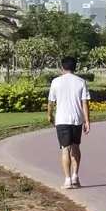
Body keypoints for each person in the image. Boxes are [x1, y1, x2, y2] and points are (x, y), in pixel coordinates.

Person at [45, 54, 91, 187]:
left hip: (62, 119)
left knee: (65, 149)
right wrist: (87, 121)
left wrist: (50, 115)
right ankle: (75, 177)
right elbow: (84, 103)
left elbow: (51, 102)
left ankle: (67, 179)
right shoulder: (81, 81)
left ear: (62, 68)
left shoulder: (56, 81)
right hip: (77, 119)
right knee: (76, 147)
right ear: (75, 67)